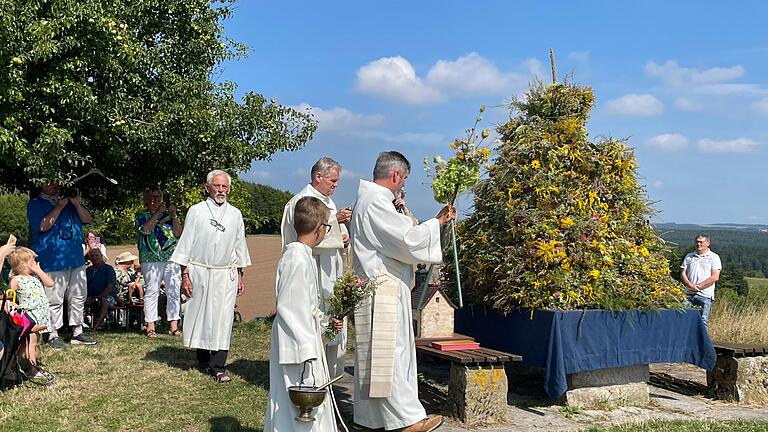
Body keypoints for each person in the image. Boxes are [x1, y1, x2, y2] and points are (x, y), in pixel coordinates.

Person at [350, 151, 455, 432]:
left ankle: (372, 419)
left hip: (378, 286)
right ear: (396, 175)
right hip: (382, 288)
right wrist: (437, 223)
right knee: (390, 356)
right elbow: (407, 240)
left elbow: (400, 232)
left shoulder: (373, 201)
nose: (403, 185)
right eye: (404, 179)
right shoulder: (375, 202)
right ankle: (407, 420)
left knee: (377, 358)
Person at [265, 196, 344, 431]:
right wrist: (307, 350)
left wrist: (324, 322)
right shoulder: (296, 259)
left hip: (305, 341)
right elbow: (290, 309)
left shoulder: (303, 255)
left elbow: (306, 306)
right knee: (297, 406)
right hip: (297, 347)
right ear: (320, 229)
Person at [170, 170, 251, 383]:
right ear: (208, 187)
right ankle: (203, 358)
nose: (221, 190)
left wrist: (240, 274)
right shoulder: (196, 211)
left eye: (224, 187)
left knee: (223, 318)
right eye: (217, 186)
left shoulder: (235, 214)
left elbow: (239, 245)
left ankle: (218, 365)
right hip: (200, 270)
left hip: (225, 273)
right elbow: (186, 243)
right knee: (202, 315)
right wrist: (185, 274)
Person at [280, 156, 352, 379]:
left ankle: (330, 374)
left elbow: (334, 235)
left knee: (334, 322)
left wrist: (343, 235)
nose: (335, 185)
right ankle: (314, 373)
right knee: (317, 318)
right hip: (313, 269)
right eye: (332, 180)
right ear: (318, 177)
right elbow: (302, 234)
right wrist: (335, 219)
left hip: (331, 270)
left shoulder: (327, 201)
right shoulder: (301, 201)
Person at [27, 183, 97, 348]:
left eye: (56, 182)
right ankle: (52, 333)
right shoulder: (36, 203)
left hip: (75, 258)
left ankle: (77, 331)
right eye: (49, 182)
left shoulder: (70, 203)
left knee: (78, 295)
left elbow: (87, 219)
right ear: (41, 184)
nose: (54, 185)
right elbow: (42, 225)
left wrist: (77, 203)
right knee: (54, 298)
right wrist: (58, 207)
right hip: (52, 258)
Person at [136, 187, 183, 338]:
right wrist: (157, 213)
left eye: (157, 197)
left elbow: (178, 233)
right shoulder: (141, 215)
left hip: (171, 257)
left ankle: (174, 325)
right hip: (151, 258)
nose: (154, 200)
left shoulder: (169, 216)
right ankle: (151, 325)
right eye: (151, 197)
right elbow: (146, 230)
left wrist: (174, 215)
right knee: (152, 291)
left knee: (174, 291)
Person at [7, 247, 53, 380]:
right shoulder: (17, 280)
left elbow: (50, 283)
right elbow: (11, 297)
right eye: (32, 260)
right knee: (31, 343)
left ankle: (11, 366)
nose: (35, 262)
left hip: (40, 316)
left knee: (24, 344)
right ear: (24, 263)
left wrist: (38, 270)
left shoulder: (35, 277)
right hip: (28, 316)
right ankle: (32, 369)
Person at [681, 234, 722, 327]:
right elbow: (683, 273)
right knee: (684, 318)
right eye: (697, 242)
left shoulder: (714, 257)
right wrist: (690, 285)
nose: (698, 244)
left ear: (708, 243)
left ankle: (702, 341)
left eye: (701, 242)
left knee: (702, 321)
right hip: (688, 294)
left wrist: (699, 286)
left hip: (705, 294)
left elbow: (715, 276)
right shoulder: (689, 256)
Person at [85, 249, 118, 331]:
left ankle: (95, 327)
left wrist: (97, 298)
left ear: (101, 256)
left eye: (97, 256)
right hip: (90, 296)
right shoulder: (88, 271)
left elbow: (109, 288)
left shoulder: (108, 269)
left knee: (104, 301)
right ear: (90, 258)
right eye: (92, 256)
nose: (95, 258)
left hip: (107, 296)